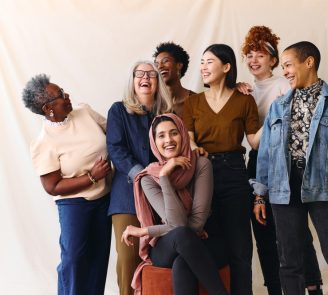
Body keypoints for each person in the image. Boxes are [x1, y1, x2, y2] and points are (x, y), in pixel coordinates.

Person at [252, 41, 328, 295]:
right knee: (289, 262)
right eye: (283, 67)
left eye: (289, 65)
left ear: (309, 62)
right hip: (284, 187)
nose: (286, 72)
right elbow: (267, 155)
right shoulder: (278, 107)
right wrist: (260, 194)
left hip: (326, 186)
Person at [240, 26, 323, 294]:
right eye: (249, 55)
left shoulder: (285, 83)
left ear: (274, 60)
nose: (254, 60)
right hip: (259, 161)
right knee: (263, 230)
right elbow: (253, 141)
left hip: (285, 163)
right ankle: (276, 288)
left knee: (295, 231)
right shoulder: (246, 90)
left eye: (260, 55)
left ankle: (312, 286)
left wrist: (276, 110)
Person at [22, 74, 112, 295]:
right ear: (48, 108)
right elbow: (52, 186)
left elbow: (114, 135)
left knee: (99, 258)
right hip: (74, 205)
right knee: (74, 260)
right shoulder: (44, 142)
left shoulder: (85, 112)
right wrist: (91, 177)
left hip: (105, 198)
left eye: (63, 90)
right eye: (60, 95)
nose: (67, 95)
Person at [121, 113, 229, 295]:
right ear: (154, 142)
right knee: (180, 235)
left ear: (183, 135)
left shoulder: (201, 165)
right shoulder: (149, 178)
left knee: (182, 262)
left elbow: (195, 225)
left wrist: (144, 231)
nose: (168, 140)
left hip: (204, 239)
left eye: (174, 133)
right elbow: (178, 225)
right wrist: (164, 176)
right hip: (165, 245)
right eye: (161, 136)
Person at [183, 43, 260, 295]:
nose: (203, 67)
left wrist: (276, 116)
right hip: (202, 173)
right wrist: (194, 147)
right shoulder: (193, 102)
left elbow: (254, 141)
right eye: (202, 62)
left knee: (240, 247)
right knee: (208, 241)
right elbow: (188, 138)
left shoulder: (244, 100)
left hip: (235, 173)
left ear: (226, 67)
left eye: (209, 62)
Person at [106, 61, 173, 295]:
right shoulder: (118, 110)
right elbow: (115, 149)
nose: (145, 78)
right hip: (126, 197)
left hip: (162, 195)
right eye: (140, 74)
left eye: (151, 74)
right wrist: (142, 175)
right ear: (132, 80)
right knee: (128, 260)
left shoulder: (167, 115)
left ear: (158, 81)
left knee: (158, 259)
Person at [153, 41, 196, 117]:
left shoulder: (196, 101)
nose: (160, 66)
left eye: (165, 61)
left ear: (179, 65)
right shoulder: (153, 103)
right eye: (156, 64)